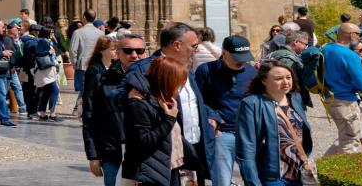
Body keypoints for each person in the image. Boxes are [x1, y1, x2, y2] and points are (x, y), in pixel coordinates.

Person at [233, 61, 310, 186]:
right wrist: (252, 182)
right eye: (279, 78)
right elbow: (246, 148)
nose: (286, 82)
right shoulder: (251, 103)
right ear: (264, 81)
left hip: (298, 174)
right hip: (273, 177)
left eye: (288, 77)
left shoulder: (295, 98)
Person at [195, 36, 258, 186]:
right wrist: (212, 117)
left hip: (248, 135)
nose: (241, 61)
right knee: (222, 182)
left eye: (244, 57)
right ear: (224, 52)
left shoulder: (252, 73)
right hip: (221, 135)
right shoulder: (206, 71)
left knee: (255, 180)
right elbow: (197, 101)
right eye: (237, 57)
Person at [83, 33, 138, 186]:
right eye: (127, 50)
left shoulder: (150, 78)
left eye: (139, 51)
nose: (134, 55)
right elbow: (90, 115)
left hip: (138, 149)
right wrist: (93, 155)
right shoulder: (101, 76)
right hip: (111, 148)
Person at [122, 56, 186, 186]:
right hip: (148, 172)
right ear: (168, 81)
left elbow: (174, 137)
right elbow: (144, 141)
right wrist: (169, 119)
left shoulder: (163, 100)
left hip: (168, 168)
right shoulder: (139, 103)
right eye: (178, 82)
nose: (179, 87)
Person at [317, 21, 362, 157]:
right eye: (359, 35)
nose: (360, 38)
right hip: (345, 101)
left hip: (329, 98)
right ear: (352, 35)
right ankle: (340, 175)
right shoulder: (350, 55)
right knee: (350, 140)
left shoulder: (325, 49)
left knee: (344, 136)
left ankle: (321, 167)